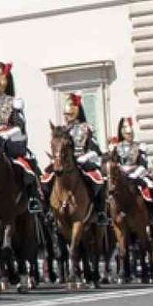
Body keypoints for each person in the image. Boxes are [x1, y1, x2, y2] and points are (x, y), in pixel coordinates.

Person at [0, 62, 41, 213]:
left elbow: (19, 126)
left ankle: (32, 198)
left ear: (3, 85)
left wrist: (5, 134)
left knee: (29, 164)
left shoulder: (14, 102)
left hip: (8, 143)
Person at [41, 92, 107, 225]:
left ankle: (99, 211)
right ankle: (48, 209)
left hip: (83, 161)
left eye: (69, 114)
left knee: (98, 181)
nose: (67, 117)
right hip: (64, 162)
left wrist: (85, 157)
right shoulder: (61, 130)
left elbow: (94, 149)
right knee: (45, 178)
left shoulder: (86, 128)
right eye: (65, 115)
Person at [111, 117, 153, 224]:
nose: (130, 136)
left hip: (137, 175)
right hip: (122, 176)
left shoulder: (140, 147)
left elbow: (143, 164)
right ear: (122, 133)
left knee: (151, 186)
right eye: (127, 134)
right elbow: (114, 163)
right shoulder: (116, 148)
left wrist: (134, 175)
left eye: (131, 134)